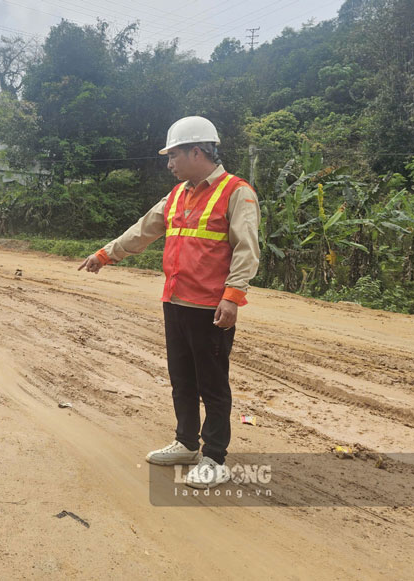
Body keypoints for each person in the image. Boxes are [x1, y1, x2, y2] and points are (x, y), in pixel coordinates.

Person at [77, 116, 261, 489]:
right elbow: (142, 231)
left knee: (212, 384)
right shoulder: (177, 195)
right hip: (175, 301)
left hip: (211, 307)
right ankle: (186, 442)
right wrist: (105, 255)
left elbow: (247, 249)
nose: (169, 163)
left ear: (197, 151)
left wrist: (233, 296)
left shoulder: (236, 191)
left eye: (174, 154)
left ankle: (214, 457)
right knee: (181, 379)